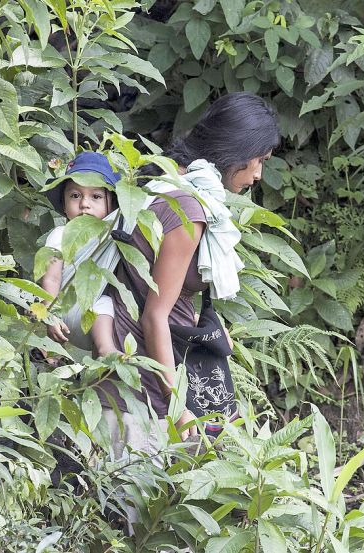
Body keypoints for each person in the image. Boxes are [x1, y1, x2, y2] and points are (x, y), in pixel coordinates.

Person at [99, 92, 280, 453]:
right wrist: (180, 408)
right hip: (144, 390)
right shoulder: (190, 209)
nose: (259, 174)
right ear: (235, 151)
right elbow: (155, 315)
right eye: (258, 160)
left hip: (121, 372)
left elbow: (148, 278)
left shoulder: (167, 179)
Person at [41, 152, 120, 356]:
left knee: (107, 303)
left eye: (96, 196)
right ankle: (106, 349)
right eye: (75, 195)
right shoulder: (61, 235)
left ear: (110, 204)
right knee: (103, 304)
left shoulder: (114, 238)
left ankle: (105, 349)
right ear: (64, 205)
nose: (85, 203)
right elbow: (52, 277)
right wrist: (49, 312)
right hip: (67, 313)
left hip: (97, 319)